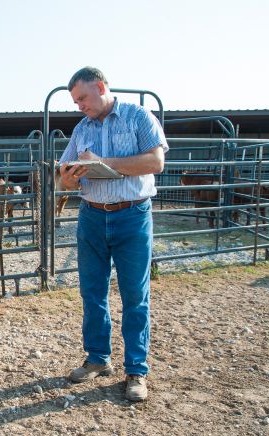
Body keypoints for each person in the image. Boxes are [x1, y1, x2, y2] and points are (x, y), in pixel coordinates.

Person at [58, 66, 168, 401]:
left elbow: (155, 162)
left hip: (132, 215)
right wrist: (71, 177)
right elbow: (63, 179)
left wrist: (106, 162)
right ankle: (97, 359)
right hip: (91, 215)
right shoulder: (81, 129)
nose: (80, 106)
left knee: (135, 295)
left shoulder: (138, 117)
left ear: (101, 86)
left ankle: (136, 369)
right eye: (76, 101)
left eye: (83, 98)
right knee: (92, 292)